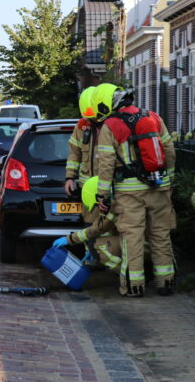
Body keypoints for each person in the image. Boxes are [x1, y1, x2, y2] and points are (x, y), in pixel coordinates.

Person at [92, 83, 176, 297]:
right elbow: (169, 151)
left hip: (129, 193)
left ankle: (134, 286)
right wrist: (169, 182)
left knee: (133, 238)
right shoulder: (153, 117)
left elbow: (106, 165)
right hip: (159, 187)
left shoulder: (110, 125)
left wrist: (102, 195)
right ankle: (165, 282)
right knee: (160, 235)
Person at [54, 86, 122, 273]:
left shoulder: (113, 125)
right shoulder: (82, 125)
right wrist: (69, 177)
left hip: (110, 189)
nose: (91, 121)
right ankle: (92, 260)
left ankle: (110, 260)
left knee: (109, 227)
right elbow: (74, 153)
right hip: (88, 191)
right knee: (89, 225)